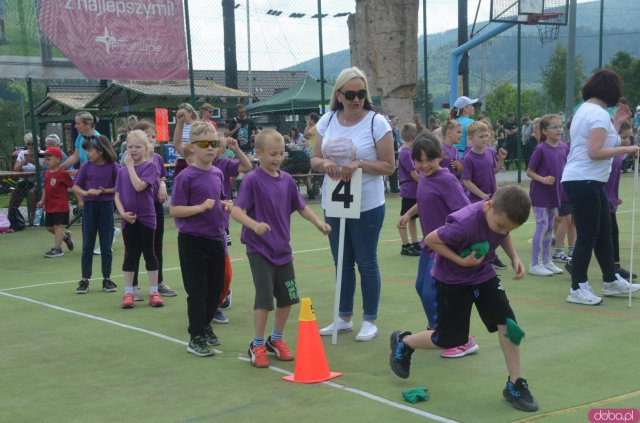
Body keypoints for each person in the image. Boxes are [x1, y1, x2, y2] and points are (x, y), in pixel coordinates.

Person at [389, 186, 539, 412]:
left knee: (510, 325)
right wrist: (462, 262)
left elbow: (503, 233)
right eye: (500, 225)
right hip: (452, 280)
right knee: (449, 339)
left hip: (483, 274)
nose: (502, 230)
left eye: (508, 228)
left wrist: (514, 256)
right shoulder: (464, 222)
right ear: (488, 206)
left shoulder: (500, 218)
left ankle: (515, 383)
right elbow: (431, 240)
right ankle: (406, 342)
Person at [231, 129, 331, 367]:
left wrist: (318, 222)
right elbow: (236, 210)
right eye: (272, 154)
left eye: (280, 154)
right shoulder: (252, 180)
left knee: (287, 298)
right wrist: (254, 226)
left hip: (283, 251)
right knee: (265, 299)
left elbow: (301, 206)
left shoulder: (286, 180)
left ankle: (275, 340)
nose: (277, 158)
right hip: (259, 250)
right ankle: (256, 344)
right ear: (259, 153)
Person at [310, 66, 395, 341]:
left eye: (361, 94)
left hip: (367, 203)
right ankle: (343, 317)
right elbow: (314, 159)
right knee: (342, 261)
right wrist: (327, 163)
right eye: (350, 94)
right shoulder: (327, 120)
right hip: (333, 201)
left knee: (366, 261)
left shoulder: (376, 122)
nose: (356, 99)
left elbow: (388, 166)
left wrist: (358, 164)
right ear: (339, 94)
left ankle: (369, 319)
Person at [561, 68, 640, 306]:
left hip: (589, 180)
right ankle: (577, 287)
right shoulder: (596, 114)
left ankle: (610, 279)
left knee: (604, 231)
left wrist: (617, 122)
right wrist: (627, 149)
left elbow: (604, 141)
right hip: (584, 179)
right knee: (587, 235)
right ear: (611, 91)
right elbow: (595, 152)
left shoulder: (588, 111)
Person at [397, 133, 478, 358]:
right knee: (420, 287)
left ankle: (462, 340)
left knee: (433, 293)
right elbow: (424, 201)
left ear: (440, 156)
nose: (424, 165)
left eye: (429, 160)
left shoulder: (447, 180)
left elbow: (465, 212)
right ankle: (438, 329)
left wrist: (462, 242)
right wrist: (408, 214)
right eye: (419, 161)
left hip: (444, 246)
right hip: (428, 244)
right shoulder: (424, 177)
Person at [170, 121, 230, 357]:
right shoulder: (185, 177)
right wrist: (199, 207)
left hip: (216, 238)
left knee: (216, 290)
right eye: (204, 143)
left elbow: (221, 198)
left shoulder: (217, 172)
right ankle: (195, 337)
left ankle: (204, 325)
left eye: (214, 143)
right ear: (192, 148)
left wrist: (227, 204)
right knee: (198, 291)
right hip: (192, 240)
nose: (210, 148)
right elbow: (175, 210)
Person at [115, 130, 163, 309]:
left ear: (146, 148)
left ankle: (154, 291)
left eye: (137, 147)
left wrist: (129, 167)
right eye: (130, 147)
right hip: (128, 220)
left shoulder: (151, 167)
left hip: (147, 217)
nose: (133, 150)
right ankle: (128, 292)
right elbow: (117, 196)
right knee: (130, 255)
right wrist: (123, 214)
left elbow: (139, 186)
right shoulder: (121, 172)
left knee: (149, 253)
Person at [130, 120, 177, 301]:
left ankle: (158, 282)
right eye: (148, 137)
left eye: (153, 137)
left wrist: (163, 185)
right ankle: (132, 285)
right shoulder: (130, 160)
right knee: (134, 248)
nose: (152, 140)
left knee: (156, 245)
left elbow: (161, 177)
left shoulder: (157, 158)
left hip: (155, 207)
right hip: (137, 208)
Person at [61, 111, 121, 253]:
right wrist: (59, 168)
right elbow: (75, 156)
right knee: (91, 213)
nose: (75, 126)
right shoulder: (80, 137)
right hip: (86, 178)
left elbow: (106, 161)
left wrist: (82, 171)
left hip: (99, 181)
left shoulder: (99, 138)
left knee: (102, 214)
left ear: (88, 124)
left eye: (78, 123)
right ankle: (111, 231)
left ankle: (107, 241)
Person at [210, 136, 252, 323]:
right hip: (201, 225)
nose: (213, 148)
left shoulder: (224, 164)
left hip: (221, 224)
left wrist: (235, 149)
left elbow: (247, 166)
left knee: (224, 270)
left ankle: (219, 300)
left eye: (218, 145)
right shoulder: (195, 166)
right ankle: (208, 304)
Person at [71, 135, 119, 294]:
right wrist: (86, 192)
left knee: (106, 245)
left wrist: (103, 191)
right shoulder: (85, 166)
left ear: (100, 150)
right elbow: (75, 187)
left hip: (106, 207)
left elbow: (119, 187)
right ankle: (85, 280)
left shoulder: (113, 166)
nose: (87, 153)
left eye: (90, 150)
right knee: (87, 245)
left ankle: (107, 279)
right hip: (90, 208)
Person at [526, 114, 567, 276]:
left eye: (560, 126)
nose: (559, 130)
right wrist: (543, 179)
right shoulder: (541, 149)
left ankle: (547, 261)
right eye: (554, 127)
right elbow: (529, 171)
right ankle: (535, 264)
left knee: (550, 227)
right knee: (542, 226)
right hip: (540, 195)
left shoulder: (564, 147)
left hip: (555, 194)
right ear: (544, 131)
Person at [604, 121, 636, 280]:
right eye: (624, 137)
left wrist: (615, 195)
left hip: (610, 199)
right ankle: (574, 262)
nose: (627, 141)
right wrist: (607, 195)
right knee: (598, 234)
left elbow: (613, 179)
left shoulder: (618, 154)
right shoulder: (609, 153)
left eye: (629, 138)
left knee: (608, 233)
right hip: (602, 199)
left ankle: (615, 267)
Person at [37, 146, 74, 258]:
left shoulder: (63, 173)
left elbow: (73, 186)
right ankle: (66, 237)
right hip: (50, 206)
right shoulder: (47, 173)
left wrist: (80, 199)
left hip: (60, 205)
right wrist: (42, 200)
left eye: (49, 159)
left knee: (57, 226)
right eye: (45, 159)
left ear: (58, 159)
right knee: (49, 227)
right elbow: (46, 188)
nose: (46, 161)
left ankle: (58, 249)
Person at [396, 116, 422, 256]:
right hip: (409, 190)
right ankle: (405, 245)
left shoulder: (411, 151)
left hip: (415, 189)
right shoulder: (405, 153)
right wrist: (426, 183)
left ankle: (415, 243)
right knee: (404, 217)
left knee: (412, 218)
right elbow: (413, 174)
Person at [9, 133, 40, 228]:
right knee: (15, 196)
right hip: (25, 181)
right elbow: (16, 169)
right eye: (28, 144)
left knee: (32, 195)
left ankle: (33, 220)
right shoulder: (22, 154)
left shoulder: (42, 153)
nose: (30, 146)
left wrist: (34, 161)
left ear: (37, 144)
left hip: (38, 182)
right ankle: (13, 221)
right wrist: (23, 162)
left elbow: (44, 169)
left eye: (33, 144)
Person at [172, 102, 198, 179]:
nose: (181, 116)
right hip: (181, 159)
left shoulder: (197, 125)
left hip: (194, 158)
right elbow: (177, 143)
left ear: (190, 113)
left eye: (183, 113)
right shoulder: (179, 126)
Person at [387, 114, 401, 193]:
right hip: (391, 150)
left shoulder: (396, 130)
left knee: (395, 168)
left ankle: (394, 186)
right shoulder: (388, 129)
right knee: (392, 168)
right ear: (391, 120)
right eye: (396, 119)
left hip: (395, 149)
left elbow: (398, 140)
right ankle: (393, 187)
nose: (397, 121)